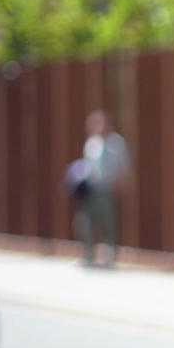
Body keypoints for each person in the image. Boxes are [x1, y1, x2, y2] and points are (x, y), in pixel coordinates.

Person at [72, 110, 131, 267]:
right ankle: (88, 256)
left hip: (107, 190)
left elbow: (123, 167)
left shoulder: (117, 143)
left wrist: (119, 185)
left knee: (108, 224)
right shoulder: (92, 143)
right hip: (91, 190)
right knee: (85, 223)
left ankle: (109, 258)